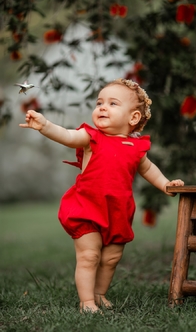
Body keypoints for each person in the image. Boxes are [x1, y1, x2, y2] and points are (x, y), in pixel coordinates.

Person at [19, 78, 184, 313]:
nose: (102, 107)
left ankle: (99, 294)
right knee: (89, 255)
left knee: (111, 259)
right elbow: (67, 135)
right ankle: (86, 302)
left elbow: (148, 169)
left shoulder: (136, 147)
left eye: (112, 103)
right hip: (87, 208)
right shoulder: (91, 138)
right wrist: (45, 126)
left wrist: (167, 184)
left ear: (133, 118)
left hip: (117, 211)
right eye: (99, 102)